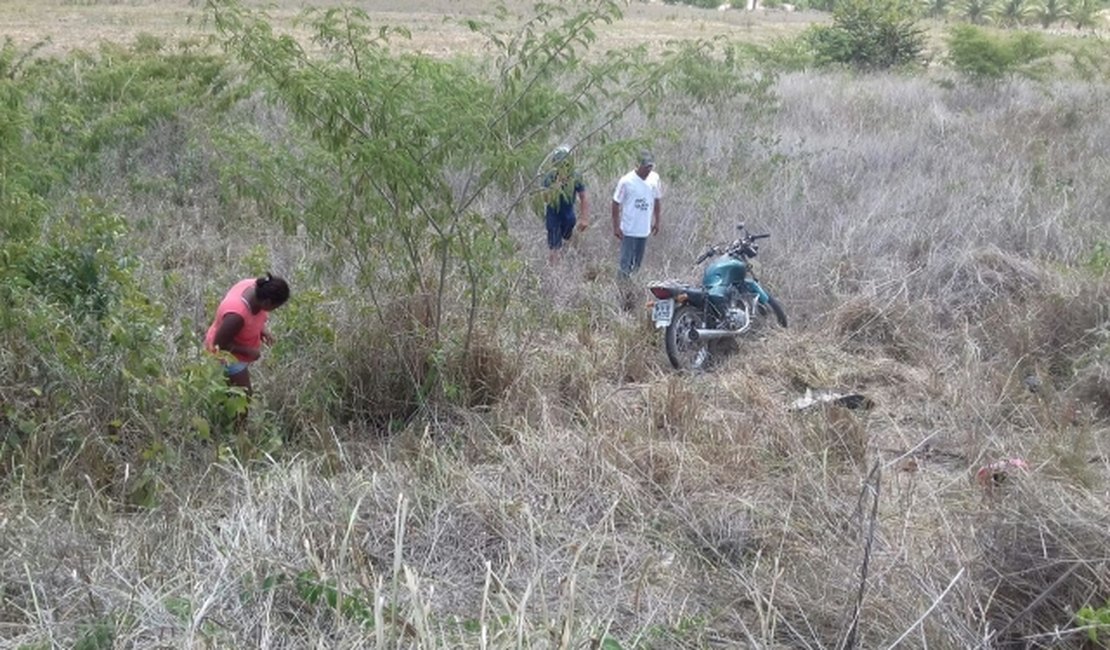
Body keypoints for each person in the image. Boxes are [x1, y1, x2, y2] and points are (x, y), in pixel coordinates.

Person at [204, 273, 290, 397]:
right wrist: (248, 351)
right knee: (243, 397)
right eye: (275, 307)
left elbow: (253, 319)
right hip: (226, 356)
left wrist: (262, 331)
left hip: (232, 346)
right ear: (267, 302)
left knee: (227, 392)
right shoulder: (236, 316)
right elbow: (219, 345)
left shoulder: (257, 287)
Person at [611, 150, 662, 279]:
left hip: (644, 229)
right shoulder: (626, 181)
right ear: (638, 165)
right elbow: (616, 203)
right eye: (645, 167)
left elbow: (657, 199)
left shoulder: (654, 179)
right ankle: (621, 289)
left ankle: (632, 288)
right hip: (629, 229)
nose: (648, 170)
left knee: (637, 264)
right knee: (625, 264)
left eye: (651, 167)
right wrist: (616, 227)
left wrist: (657, 221)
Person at [541, 145, 589, 264]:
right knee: (554, 245)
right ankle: (555, 270)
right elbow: (545, 198)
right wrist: (555, 188)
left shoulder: (575, 176)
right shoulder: (549, 177)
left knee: (568, 237)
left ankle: (569, 258)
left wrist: (584, 218)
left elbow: (583, 196)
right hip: (553, 213)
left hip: (568, 213)